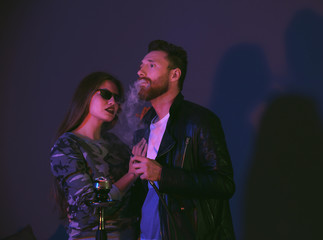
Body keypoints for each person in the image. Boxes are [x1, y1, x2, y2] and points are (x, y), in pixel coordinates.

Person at [131, 40, 236, 240]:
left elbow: (224, 184)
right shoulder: (143, 129)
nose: (140, 72)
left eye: (151, 65)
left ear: (174, 74)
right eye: (141, 66)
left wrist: (163, 174)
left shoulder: (199, 121)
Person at [50, 72, 145, 240]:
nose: (113, 102)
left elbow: (137, 198)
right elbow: (90, 210)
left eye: (117, 98)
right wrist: (131, 175)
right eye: (106, 94)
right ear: (87, 94)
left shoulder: (115, 144)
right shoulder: (67, 145)